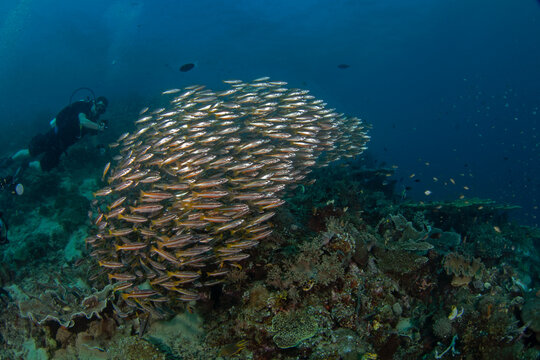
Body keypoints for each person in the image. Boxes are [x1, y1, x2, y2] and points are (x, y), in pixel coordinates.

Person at [8, 96, 108, 172]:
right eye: (99, 106)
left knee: (44, 167)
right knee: (30, 152)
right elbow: (82, 120)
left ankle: (26, 165)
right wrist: (99, 127)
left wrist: (99, 147)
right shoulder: (83, 107)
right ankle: (9, 161)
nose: (99, 110)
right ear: (94, 103)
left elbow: (94, 137)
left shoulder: (94, 121)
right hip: (54, 136)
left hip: (62, 146)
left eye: (102, 109)